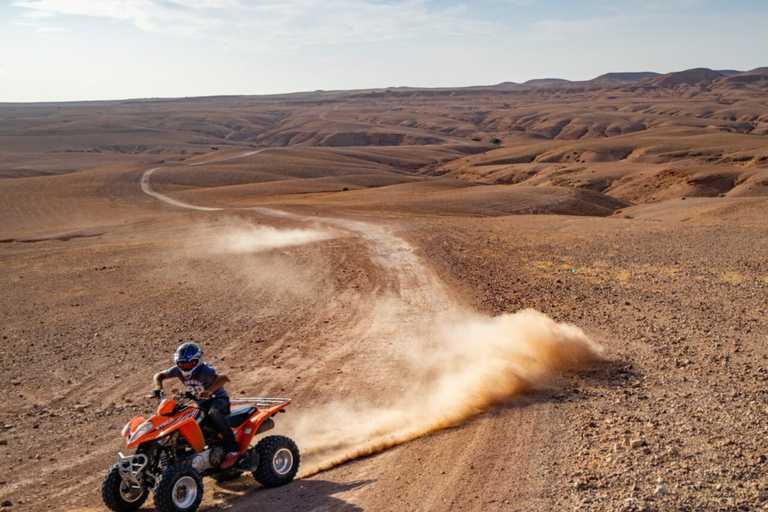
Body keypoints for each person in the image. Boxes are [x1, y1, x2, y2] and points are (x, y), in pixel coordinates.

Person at [153, 342, 240, 469]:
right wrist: (158, 387)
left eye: (189, 363)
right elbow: (159, 375)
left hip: (219, 400)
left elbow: (223, 378)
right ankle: (189, 457)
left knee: (213, 414)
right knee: (186, 420)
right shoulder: (177, 371)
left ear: (197, 361)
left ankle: (233, 450)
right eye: (181, 364)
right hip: (202, 404)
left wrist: (209, 391)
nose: (185, 367)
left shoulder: (205, 370)